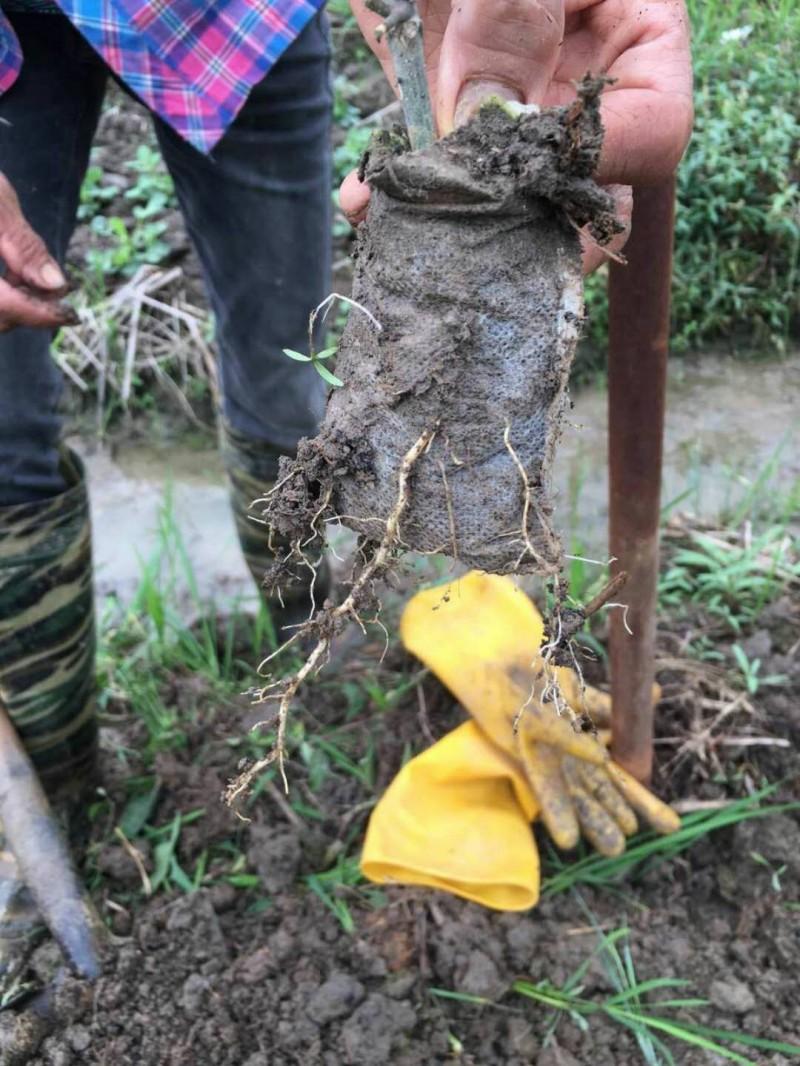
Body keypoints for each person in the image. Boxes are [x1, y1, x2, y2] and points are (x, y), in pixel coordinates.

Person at [0, 0, 692, 985]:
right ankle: (62, 786)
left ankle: (313, 646)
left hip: (230, 23)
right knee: (9, 436)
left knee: (292, 397)